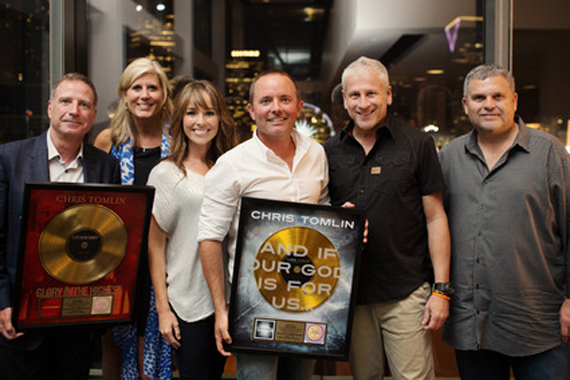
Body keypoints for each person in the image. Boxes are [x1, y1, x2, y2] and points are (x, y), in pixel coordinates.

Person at [439, 64, 570, 379]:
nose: (488, 104)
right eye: (479, 97)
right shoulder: (450, 157)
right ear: (465, 105)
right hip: (473, 327)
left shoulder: (550, 153)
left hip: (540, 325)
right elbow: (433, 226)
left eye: (498, 96)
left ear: (513, 100)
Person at [323, 56, 451, 380]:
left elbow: (436, 219)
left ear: (388, 95)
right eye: (355, 95)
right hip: (351, 295)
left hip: (406, 291)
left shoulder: (419, 144)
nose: (363, 104)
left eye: (371, 94)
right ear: (344, 99)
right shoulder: (327, 151)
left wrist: (441, 290)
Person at [197, 69, 329, 380]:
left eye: (285, 100)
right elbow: (209, 239)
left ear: (299, 107)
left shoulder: (317, 154)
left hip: (309, 299)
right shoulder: (231, 165)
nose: (276, 108)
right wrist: (221, 311)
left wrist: (344, 221)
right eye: (266, 101)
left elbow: (323, 218)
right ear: (252, 110)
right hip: (253, 304)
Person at [0, 73, 121, 379]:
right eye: (66, 101)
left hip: (77, 323)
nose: (74, 110)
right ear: (51, 107)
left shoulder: (106, 166)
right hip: (20, 320)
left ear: (93, 115)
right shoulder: (9, 159)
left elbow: (110, 240)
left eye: (84, 104)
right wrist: (2, 305)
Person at [147, 80, 236, 379]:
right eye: (191, 113)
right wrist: (163, 310)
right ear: (179, 120)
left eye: (209, 113)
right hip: (189, 303)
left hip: (231, 298)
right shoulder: (165, 173)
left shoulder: (231, 168)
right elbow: (155, 247)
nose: (201, 121)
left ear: (220, 118)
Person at [94, 57, 173, 380]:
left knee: (155, 349)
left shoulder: (178, 142)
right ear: (124, 94)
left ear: (164, 94)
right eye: (136, 87)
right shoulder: (107, 141)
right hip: (116, 264)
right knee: (113, 348)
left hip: (164, 263)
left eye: (152, 87)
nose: (144, 95)